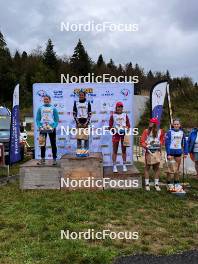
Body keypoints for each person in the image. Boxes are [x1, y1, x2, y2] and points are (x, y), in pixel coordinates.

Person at [141, 118, 165, 191]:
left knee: (157, 168)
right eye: (150, 122)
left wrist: (160, 149)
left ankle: (156, 184)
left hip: (156, 151)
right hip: (148, 151)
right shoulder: (146, 131)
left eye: (153, 123)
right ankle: (147, 184)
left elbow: (161, 141)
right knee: (147, 168)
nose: (151, 124)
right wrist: (146, 146)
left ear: (156, 124)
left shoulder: (160, 131)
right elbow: (142, 141)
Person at [165, 118, 188, 190]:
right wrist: (168, 153)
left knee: (177, 168)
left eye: (177, 124)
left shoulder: (182, 132)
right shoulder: (169, 132)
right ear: (173, 125)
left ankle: (176, 182)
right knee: (170, 168)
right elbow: (167, 143)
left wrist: (185, 152)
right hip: (171, 152)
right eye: (175, 124)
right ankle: (168, 182)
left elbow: (185, 143)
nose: (176, 125)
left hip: (178, 152)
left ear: (180, 125)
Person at [36, 95, 59, 165]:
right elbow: (37, 119)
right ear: (43, 100)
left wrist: (53, 126)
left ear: (50, 100)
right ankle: (42, 159)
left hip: (51, 128)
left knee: (53, 144)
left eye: (47, 99)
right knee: (42, 144)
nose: (46, 100)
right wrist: (39, 126)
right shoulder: (40, 108)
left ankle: (54, 159)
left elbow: (56, 119)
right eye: (45, 99)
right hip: (42, 128)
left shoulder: (53, 108)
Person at [109, 102, 130, 173]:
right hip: (116, 134)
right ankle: (114, 166)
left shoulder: (125, 115)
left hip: (124, 134)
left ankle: (124, 165)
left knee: (124, 150)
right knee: (115, 150)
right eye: (118, 107)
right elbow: (110, 126)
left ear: (122, 108)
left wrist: (126, 128)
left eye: (121, 107)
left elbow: (128, 125)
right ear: (116, 107)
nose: (119, 108)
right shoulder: (113, 115)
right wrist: (114, 130)